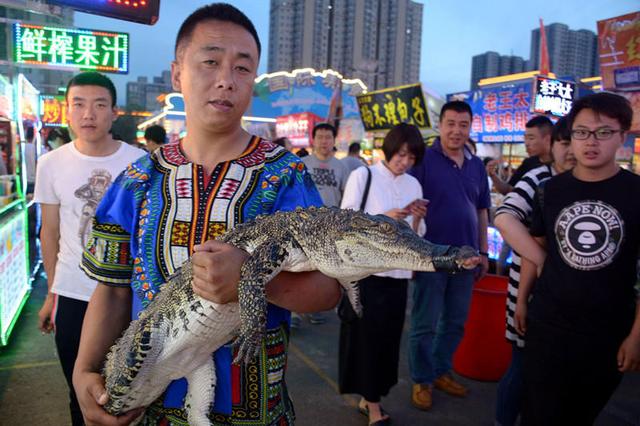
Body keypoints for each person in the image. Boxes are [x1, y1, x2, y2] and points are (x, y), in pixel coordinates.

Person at [73, 4, 340, 425]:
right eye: (210, 61)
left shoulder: (287, 176)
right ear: (177, 72)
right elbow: (112, 289)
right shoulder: (136, 181)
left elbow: (328, 289)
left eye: (242, 68)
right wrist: (83, 371)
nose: (225, 80)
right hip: (148, 405)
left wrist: (251, 278)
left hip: (257, 410)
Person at [517, 93, 640, 425]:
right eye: (582, 132)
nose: (591, 142)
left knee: (579, 415)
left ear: (622, 137)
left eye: (603, 133)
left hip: (608, 331)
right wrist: (522, 301)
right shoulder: (552, 190)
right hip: (548, 323)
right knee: (536, 412)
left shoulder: (636, 193)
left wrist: (636, 334)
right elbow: (536, 247)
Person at [34, 71, 144, 426]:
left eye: (99, 105)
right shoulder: (50, 163)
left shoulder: (139, 162)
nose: (88, 114)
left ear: (114, 112)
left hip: (123, 296)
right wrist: (53, 295)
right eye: (78, 105)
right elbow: (49, 233)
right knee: (78, 391)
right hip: (71, 295)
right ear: (66, 111)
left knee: (128, 392)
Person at [339, 123, 426, 425]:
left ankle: (370, 396)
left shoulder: (413, 186)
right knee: (368, 340)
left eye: (411, 157)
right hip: (367, 273)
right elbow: (345, 221)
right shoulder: (363, 176)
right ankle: (373, 406)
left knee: (388, 342)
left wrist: (415, 219)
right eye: (401, 154)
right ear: (388, 149)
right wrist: (384, 218)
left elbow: (417, 236)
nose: (405, 161)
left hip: (399, 275)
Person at [492, 117, 576, 426]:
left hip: (569, 298)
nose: (570, 150)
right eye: (564, 142)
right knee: (522, 363)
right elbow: (504, 216)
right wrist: (541, 259)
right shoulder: (539, 179)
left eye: (574, 141)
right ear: (552, 145)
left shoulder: (589, 182)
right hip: (527, 288)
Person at [408, 100, 490, 411]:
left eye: (463, 125)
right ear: (440, 125)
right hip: (431, 256)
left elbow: (482, 210)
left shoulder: (476, 165)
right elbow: (410, 205)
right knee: (425, 323)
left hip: (467, 257)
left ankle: (441, 371)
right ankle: (422, 379)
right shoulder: (424, 160)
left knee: (455, 321)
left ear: (470, 127)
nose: (457, 130)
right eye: (451, 123)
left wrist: (482, 252)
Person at [301, 122, 349, 324]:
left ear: (333, 140)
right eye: (320, 137)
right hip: (305, 225)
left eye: (328, 137)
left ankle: (315, 306)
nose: (324, 141)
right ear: (313, 139)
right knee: (301, 266)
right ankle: (297, 310)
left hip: (332, 228)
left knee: (326, 268)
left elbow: (347, 196)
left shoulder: (342, 167)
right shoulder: (302, 163)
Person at [487, 116, 553, 195]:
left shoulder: (560, 164)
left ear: (547, 139)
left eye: (531, 138)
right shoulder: (528, 163)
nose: (526, 143)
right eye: (525, 138)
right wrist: (493, 175)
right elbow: (509, 190)